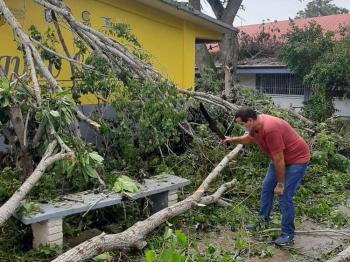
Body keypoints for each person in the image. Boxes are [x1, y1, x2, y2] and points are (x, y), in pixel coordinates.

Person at [222, 107, 310, 246]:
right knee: (266, 189)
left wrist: (280, 184)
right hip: (280, 159)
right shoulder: (255, 125)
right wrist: (231, 140)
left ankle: (287, 234)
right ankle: (262, 222)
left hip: (296, 160)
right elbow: (249, 138)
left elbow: (279, 159)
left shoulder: (270, 129)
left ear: (250, 120)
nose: (241, 126)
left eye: (242, 124)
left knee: (284, 195)